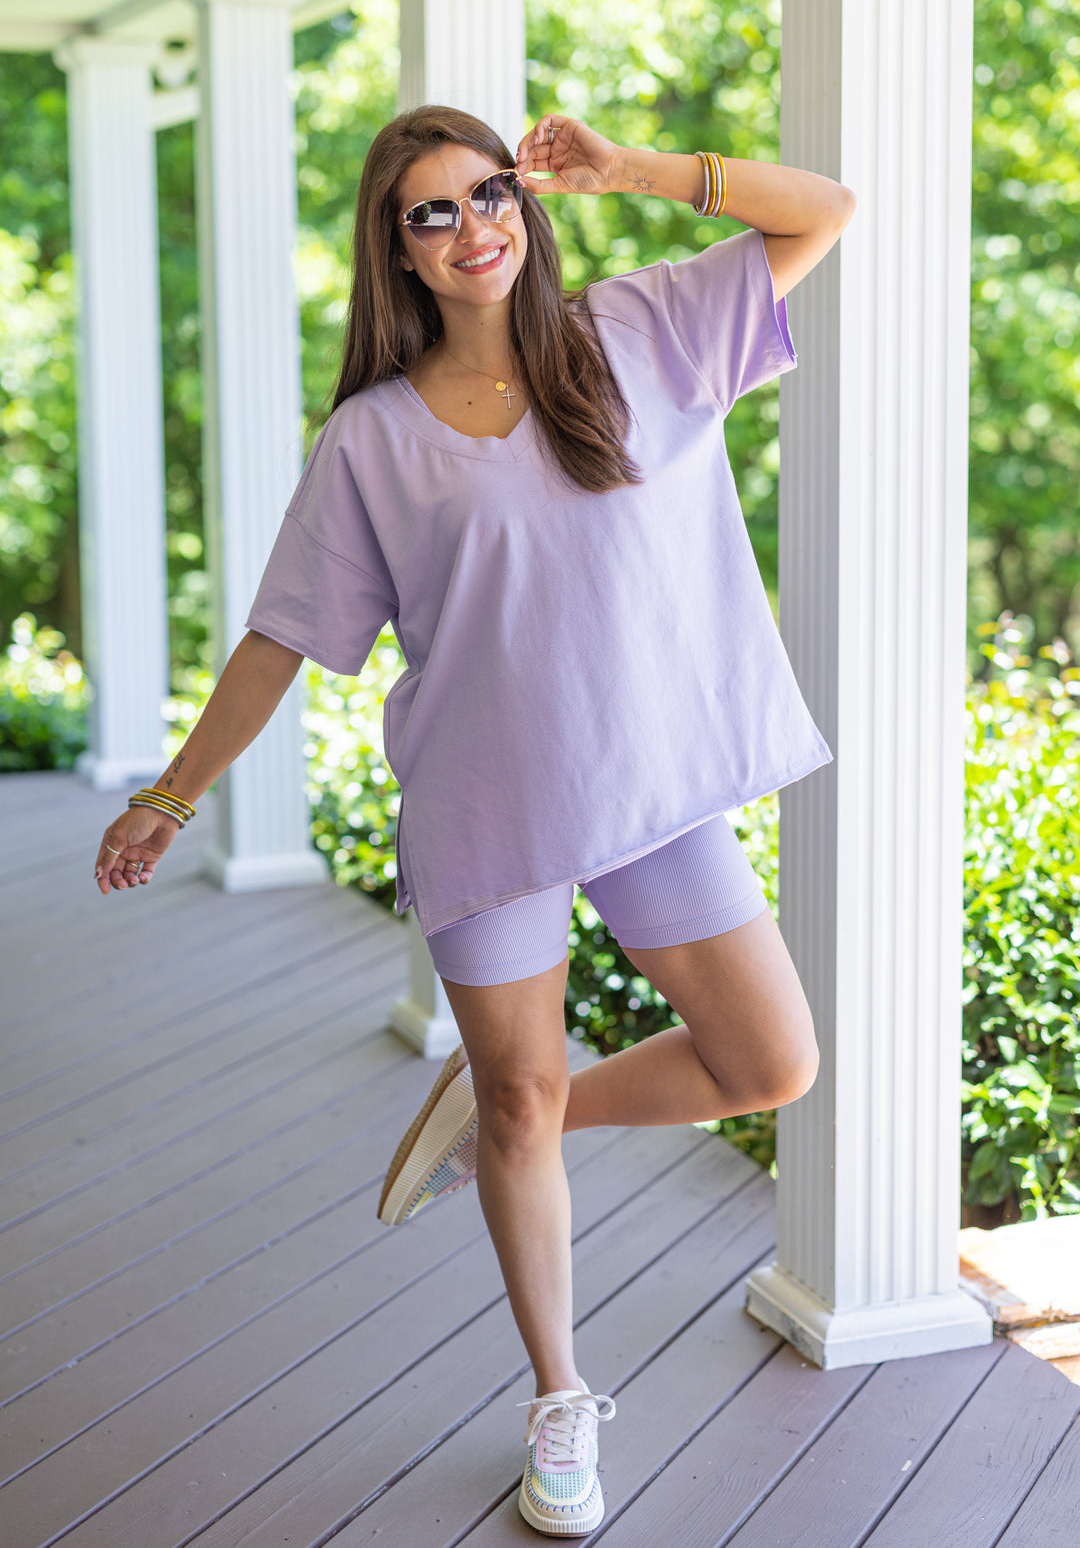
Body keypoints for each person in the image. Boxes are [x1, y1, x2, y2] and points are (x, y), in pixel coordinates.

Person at [93, 103, 856, 1537]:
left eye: (489, 193)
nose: (470, 227)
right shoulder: (371, 440)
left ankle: (522, 1112)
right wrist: (168, 795)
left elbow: (823, 209)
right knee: (518, 1099)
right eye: (430, 212)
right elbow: (281, 637)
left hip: (650, 794)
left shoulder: (642, 334)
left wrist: (630, 168)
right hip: (487, 803)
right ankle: (559, 1396)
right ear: (397, 251)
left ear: (528, 203)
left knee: (771, 1062)